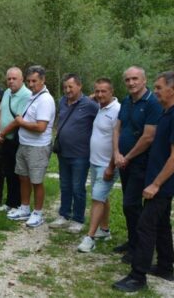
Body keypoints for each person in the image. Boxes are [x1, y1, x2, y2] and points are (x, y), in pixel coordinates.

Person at [113, 71, 174, 293]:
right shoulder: (169, 113)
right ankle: (165, 266)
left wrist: (156, 184)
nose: (156, 91)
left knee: (145, 225)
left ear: (173, 89)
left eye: (159, 88)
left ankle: (137, 276)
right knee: (162, 224)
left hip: (164, 183)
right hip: (160, 179)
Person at [112, 66, 163, 263]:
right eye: (127, 80)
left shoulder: (152, 103)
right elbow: (117, 129)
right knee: (129, 204)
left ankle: (139, 248)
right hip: (124, 161)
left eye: (135, 79)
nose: (131, 83)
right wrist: (117, 153)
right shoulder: (126, 101)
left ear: (144, 80)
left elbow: (148, 137)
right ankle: (132, 240)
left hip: (141, 162)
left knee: (131, 204)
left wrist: (128, 157)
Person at [6, 65, 56, 228]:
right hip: (25, 144)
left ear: (43, 80)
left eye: (34, 81)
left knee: (36, 181)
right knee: (23, 177)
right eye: (28, 81)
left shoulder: (45, 100)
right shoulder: (33, 96)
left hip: (38, 147)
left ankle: (38, 213)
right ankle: (25, 208)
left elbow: (41, 127)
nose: (31, 84)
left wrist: (21, 122)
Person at [50, 74, 99, 233]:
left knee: (78, 188)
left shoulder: (90, 105)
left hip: (81, 154)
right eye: (65, 87)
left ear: (79, 86)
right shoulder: (62, 101)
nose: (67, 90)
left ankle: (78, 219)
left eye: (71, 86)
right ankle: (64, 215)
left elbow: (103, 116)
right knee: (65, 185)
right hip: (63, 153)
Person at [78, 78, 121, 253]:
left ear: (112, 91)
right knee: (102, 197)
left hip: (107, 164)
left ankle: (90, 237)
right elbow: (92, 98)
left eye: (104, 91)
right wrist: (95, 97)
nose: (100, 94)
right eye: (97, 91)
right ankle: (104, 230)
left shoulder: (117, 111)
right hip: (95, 162)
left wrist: (111, 166)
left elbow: (117, 141)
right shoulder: (100, 107)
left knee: (97, 198)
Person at [0, 68, 31, 212]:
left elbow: (18, 120)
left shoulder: (26, 95)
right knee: (8, 171)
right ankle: (10, 202)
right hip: (5, 140)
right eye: (9, 78)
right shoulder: (7, 93)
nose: (11, 81)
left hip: (17, 139)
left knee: (18, 173)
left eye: (14, 78)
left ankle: (18, 203)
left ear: (22, 79)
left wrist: (2, 133)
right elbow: (1, 111)